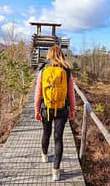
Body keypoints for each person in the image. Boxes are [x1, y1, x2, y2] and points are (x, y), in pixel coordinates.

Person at [34, 44, 76, 181]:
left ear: (49, 54)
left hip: (46, 108)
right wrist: (73, 109)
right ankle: (55, 171)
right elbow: (71, 93)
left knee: (46, 132)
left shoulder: (43, 69)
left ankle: (45, 155)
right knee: (58, 139)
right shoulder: (66, 69)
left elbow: (38, 92)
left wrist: (36, 110)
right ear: (61, 54)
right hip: (62, 109)